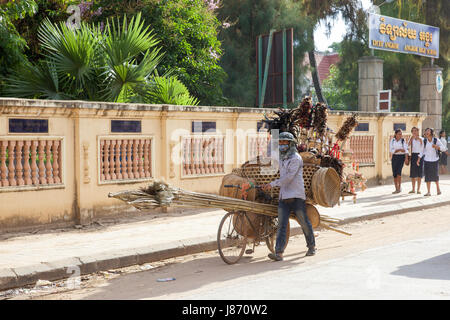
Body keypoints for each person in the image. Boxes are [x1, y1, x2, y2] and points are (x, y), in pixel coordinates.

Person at [262, 132, 315, 261]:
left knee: (304, 222)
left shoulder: (296, 159)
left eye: (285, 143)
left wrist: (272, 184)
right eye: (280, 143)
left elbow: (288, 178)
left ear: (291, 144)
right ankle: (279, 252)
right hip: (284, 196)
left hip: (296, 196)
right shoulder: (281, 158)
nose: (282, 145)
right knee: (281, 225)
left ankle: (311, 246)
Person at [417, 128, 446, 196]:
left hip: (434, 160)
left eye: (428, 131)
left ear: (431, 132)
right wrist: (418, 159)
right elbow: (422, 151)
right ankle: (428, 192)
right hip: (426, 160)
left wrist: (437, 147)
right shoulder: (424, 141)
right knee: (427, 176)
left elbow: (443, 148)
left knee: (435, 175)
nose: (426, 132)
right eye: (426, 131)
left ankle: (438, 189)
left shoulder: (436, 140)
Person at [389, 129, 408, 193]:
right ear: (395, 134)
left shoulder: (403, 141)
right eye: (399, 134)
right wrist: (399, 149)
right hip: (394, 157)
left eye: (401, 134)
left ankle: (399, 187)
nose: (400, 135)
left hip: (401, 157)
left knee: (399, 173)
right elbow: (391, 150)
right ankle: (396, 188)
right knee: (394, 173)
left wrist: (406, 158)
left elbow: (405, 150)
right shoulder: (392, 141)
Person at [408, 127, 424, 194]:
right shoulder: (412, 139)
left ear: (418, 131)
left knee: (419, 173)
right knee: (413, 173)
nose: (414, 132)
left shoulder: (421, 139)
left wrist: (419, 139)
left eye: (415, 131)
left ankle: (418, 189)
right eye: (413, 131)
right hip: (413, 155)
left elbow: (422, 148)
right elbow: (408, 146)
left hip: (420, 155)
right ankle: (413, 189)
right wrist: (411, 139)